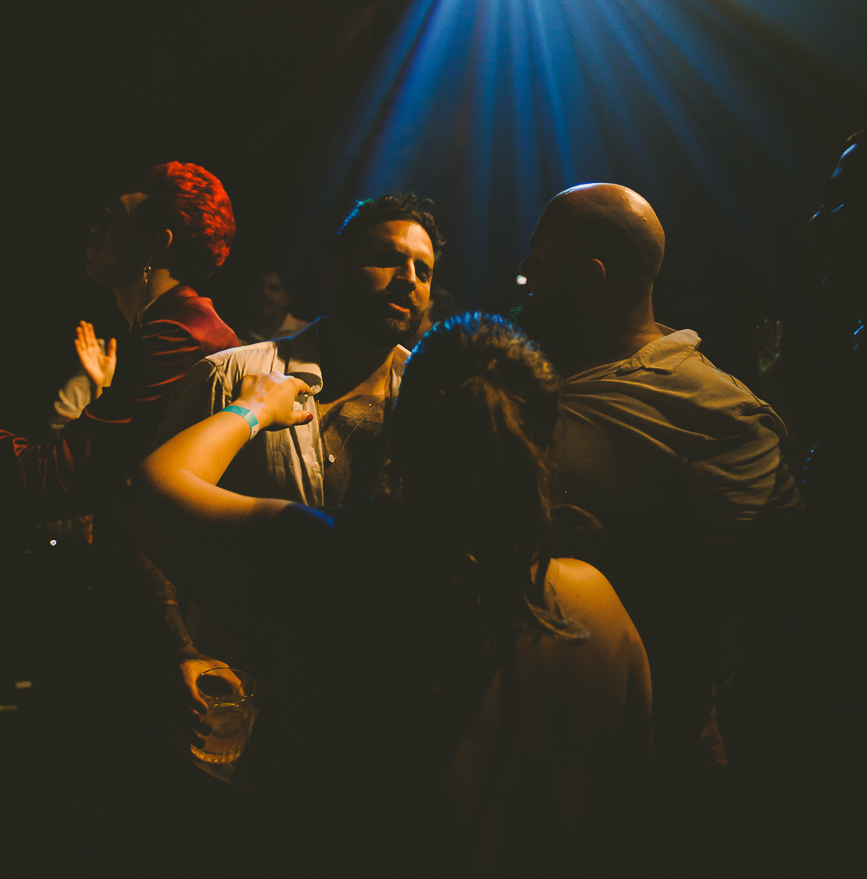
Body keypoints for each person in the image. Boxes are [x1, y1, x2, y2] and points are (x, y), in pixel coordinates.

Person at [135, 314, 651, 874]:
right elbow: (628, 825)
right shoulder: (599, 606)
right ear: (548, 441)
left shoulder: (344, 564)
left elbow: (155, 489)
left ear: (399, 432)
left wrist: (253, 407)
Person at [517, 182, 802, 766]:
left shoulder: (715, 412)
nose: (522, 274)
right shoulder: (542, 381)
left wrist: (618, 558)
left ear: (590, 279)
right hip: (537, 746)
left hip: (652, 756)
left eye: (538, 262)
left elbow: (788, 592)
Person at [154, 192, 442, 510]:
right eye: (388, 259)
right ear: (335, 272)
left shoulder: (436, 399)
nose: (410, 280)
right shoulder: (229, 376)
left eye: (424, 271)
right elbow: (152, 516)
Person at [1, 161, 240, 515]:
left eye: (114, 217)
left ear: (157, 241)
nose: (96, 228)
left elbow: (61, 479)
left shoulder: (181, 335)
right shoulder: (172, 323)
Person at [234, 263, 309, 344]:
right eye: (259, 286)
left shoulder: (306, 334)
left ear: (287, 298)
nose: (264, 293)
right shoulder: (236, 335)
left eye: (274, 288)